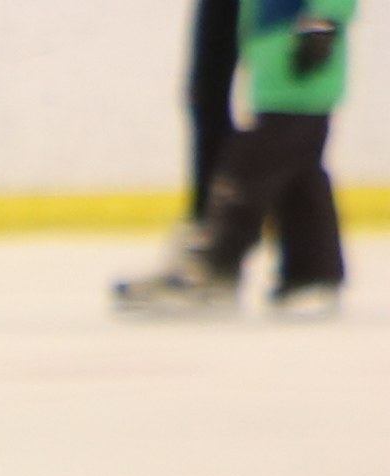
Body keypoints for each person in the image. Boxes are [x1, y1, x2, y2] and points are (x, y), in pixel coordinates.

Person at [121, 0, 345, 314]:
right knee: (298, 167)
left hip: (299, 45)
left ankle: (217, 262)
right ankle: (311, 274)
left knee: (256, 163)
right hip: (276, 46)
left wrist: (325, 17)